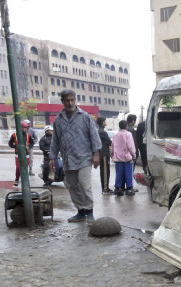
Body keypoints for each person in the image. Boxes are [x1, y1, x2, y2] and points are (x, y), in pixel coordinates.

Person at [50, 89, 101, 222]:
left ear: (75, 100)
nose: (70, 103)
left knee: (84, 185)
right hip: (68, 159)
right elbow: (55, 140)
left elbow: (94, 136)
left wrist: (96, 154)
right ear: (62, 101)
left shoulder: (84, 116)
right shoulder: (58, 120)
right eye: (67, 100)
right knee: (72, 186)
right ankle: (80, 211)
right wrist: (52, 157)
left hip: (84, 157)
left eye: (72, 100)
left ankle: (89, 211)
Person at [112, 119, 136, 197]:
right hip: (126, 157)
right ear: (126, 126)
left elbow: (113, 146)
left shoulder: (116, 135)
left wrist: (112, 155)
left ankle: (117, 188)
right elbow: (130, 146)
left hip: (118, 157)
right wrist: (133, 155)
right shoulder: (128, 134)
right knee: (128, 173)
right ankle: (129, 189)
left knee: (119, 173)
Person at [8, 121, 34, 187]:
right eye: (25, 127)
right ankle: (17, 179)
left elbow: (32, 142)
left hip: (26, 154)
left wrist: (29, 146)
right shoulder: (14, 135)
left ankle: (25, 181)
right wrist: (15, 146)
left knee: (25, 167)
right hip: (18, 154)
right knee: (18, 167)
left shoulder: (28, 135)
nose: (26, 129)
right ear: (20, 128)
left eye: (26, 127)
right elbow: (10, 144)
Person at [97, 117, 113, 194]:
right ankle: (105, 189)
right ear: (102, 122)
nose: (106, 122)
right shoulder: (102, 132)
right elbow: (109, 142)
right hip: (104, 153)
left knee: (104, 171)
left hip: (102, 152)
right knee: (105, 171)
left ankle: (106, 188)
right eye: (105, 121)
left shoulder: (99, 131)